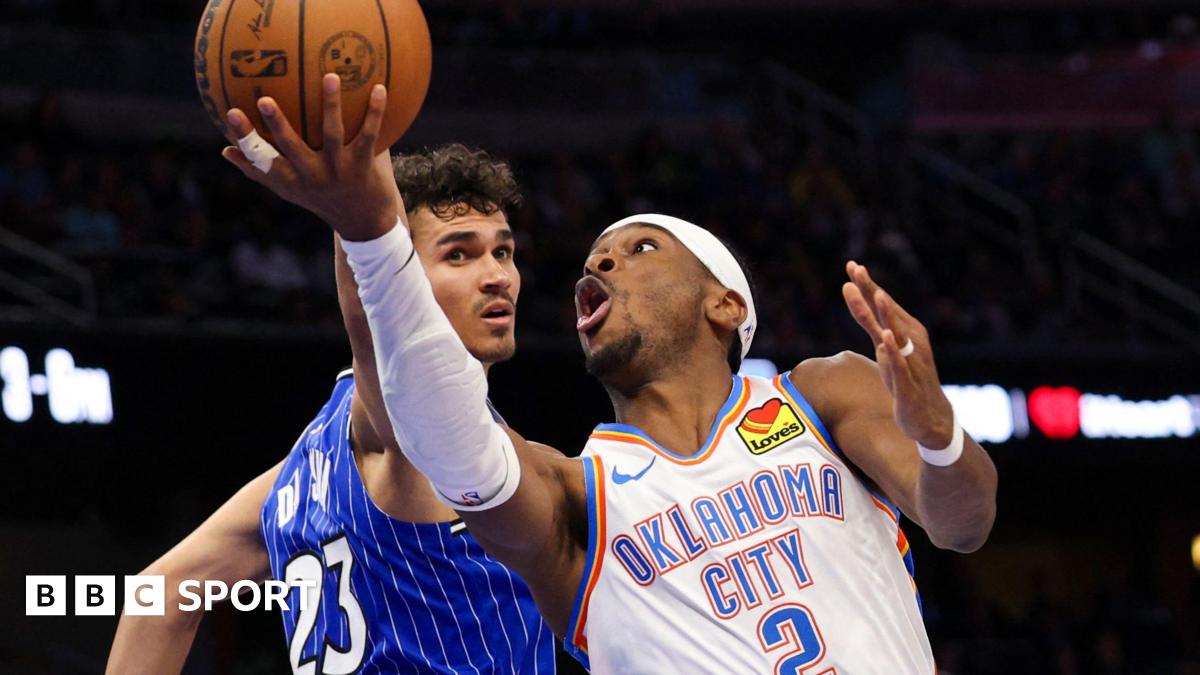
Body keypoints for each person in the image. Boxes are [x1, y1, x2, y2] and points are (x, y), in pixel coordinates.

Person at [224, 76, 997, 673]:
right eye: (596, 257)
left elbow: (963, 522)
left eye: (639, 250)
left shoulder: (823, 393)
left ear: (724, 304)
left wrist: (938, 437)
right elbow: (440, 425)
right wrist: (369, 233)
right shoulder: (574, 496)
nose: (599, 261)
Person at [106, 139, 556, 673]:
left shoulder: (303, 469)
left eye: (502, 251)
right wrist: (360, 170)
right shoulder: (413, 433)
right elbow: (376, 314)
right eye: (457, 253)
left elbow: (162, 593)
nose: (497, 275)